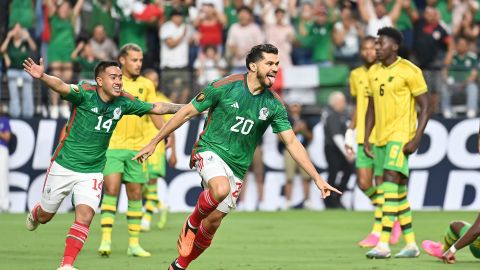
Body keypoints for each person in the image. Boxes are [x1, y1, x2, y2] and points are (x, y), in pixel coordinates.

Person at [132, 44, 341, 270]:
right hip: (209, 150)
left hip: (238, 167)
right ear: (253, 65)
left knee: (212, 223)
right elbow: (186, 113)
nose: (275, 68)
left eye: (277, 64)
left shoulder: (273, 104)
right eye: (269, 63)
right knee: (219, 189)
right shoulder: (224, 86)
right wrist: (154, 141)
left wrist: (317, 177)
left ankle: (179, 265)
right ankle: (191, 223)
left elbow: (291, 141)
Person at [23, 58, 183, 270]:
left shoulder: (124, 102)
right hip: (64, 165)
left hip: (93, 170)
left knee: (86, 215)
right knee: (45, 216)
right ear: (99, 80)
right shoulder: (84, 93)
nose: (118, 81)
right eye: (113, 77)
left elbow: (157, 107)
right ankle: (36, 212)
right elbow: (61, 85)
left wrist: (191, 106)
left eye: (120, 78)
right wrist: (42, 76)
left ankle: (66, 265)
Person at [364, 27, 430, 259]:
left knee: (389, 182)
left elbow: (426, 106)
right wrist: (366, 138)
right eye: (376, 44)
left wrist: (417, 137)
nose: (377, 47)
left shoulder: (409, 71)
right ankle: (411, 244)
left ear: (394, 46)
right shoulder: (373, 72)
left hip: (401, 135)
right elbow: (371, 107)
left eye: (380, 43)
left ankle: (383, 244)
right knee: (397, 191)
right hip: (380, 137)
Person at [98, 44, 162, 257]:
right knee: (112, 190)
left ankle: (133, 244)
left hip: (137, 149)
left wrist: (165, 133)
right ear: (122, 60)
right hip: (113, 147)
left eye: (141, 60)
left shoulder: (147, 84)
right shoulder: (113, 83)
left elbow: (154, 111)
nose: (138, 64)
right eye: (134, 60)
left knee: (135, 194)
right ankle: (105, 240)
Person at [345, 36, 401, 247]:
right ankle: (391, 215)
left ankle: (379, 230)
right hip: (362, 135)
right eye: (365, 48)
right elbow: (359, 105)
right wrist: (350, 130)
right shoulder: (356, 75)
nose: (369, 52)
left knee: (381, 182)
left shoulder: (384, 72)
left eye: (372, 48)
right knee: (363, 183)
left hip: (381, 135)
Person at [140, 69, 177, 231]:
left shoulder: (163, 101)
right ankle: (161, 206)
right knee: (140, 185)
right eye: (150, 79)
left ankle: (146, 220)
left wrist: (173, 152)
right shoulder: (137, 99)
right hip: (139, 145)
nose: (153, 83)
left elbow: (172, 127)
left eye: (155, 80)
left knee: (152, 182)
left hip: (157, 148)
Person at [323, 92, 355, 209]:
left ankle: (336, 197)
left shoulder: (341, 116)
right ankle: (328, 200)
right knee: (333, 173)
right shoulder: (332, 116)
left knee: (348, 170)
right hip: (332, 149)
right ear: (336, 102)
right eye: (342, 101)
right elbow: (336, 137)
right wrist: (348, 152)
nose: (345, 104)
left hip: (339, 150)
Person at [0, 23, 37, 118]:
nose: (17, 31)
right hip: (13, 71)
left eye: (19, 29)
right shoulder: (10, 43)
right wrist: (8, 38)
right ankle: (15, 114)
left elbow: (35, 48)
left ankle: (28, 115)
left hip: (26, 70)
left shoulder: (25, 42)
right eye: (15, 29)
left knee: (27, 93)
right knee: (14, 94)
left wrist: (28, 37)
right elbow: (2, 50)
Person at [282, 103, 313, 210]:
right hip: (290, 150)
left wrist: (303, 130)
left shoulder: (305, 120)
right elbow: (281, 137)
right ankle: (288, 201)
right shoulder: (285, 119)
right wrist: (295, 129)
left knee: (306, 176)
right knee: (289, 176)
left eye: (297, 105)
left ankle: (307, 201)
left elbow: (311, 136)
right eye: (293, 105)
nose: (295, 108)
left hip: (303, 149)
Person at [440, 37, 478, 118]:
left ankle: (471, 110)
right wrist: (447, 79)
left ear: (467, 46)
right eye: (459, 44)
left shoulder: (472, 57)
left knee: (473, 87)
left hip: (466, 85)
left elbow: (474, 74)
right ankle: (446, 110)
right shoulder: (452, 55)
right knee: (444, 87)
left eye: (463, 45)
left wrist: (464, 83)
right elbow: (444, 68)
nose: (461, 46)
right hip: (452, 84)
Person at [0, 106, 11, 212]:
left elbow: (7, 137)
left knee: (2, 176)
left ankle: (4, 204)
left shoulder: (4, 120)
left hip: (1, 149)